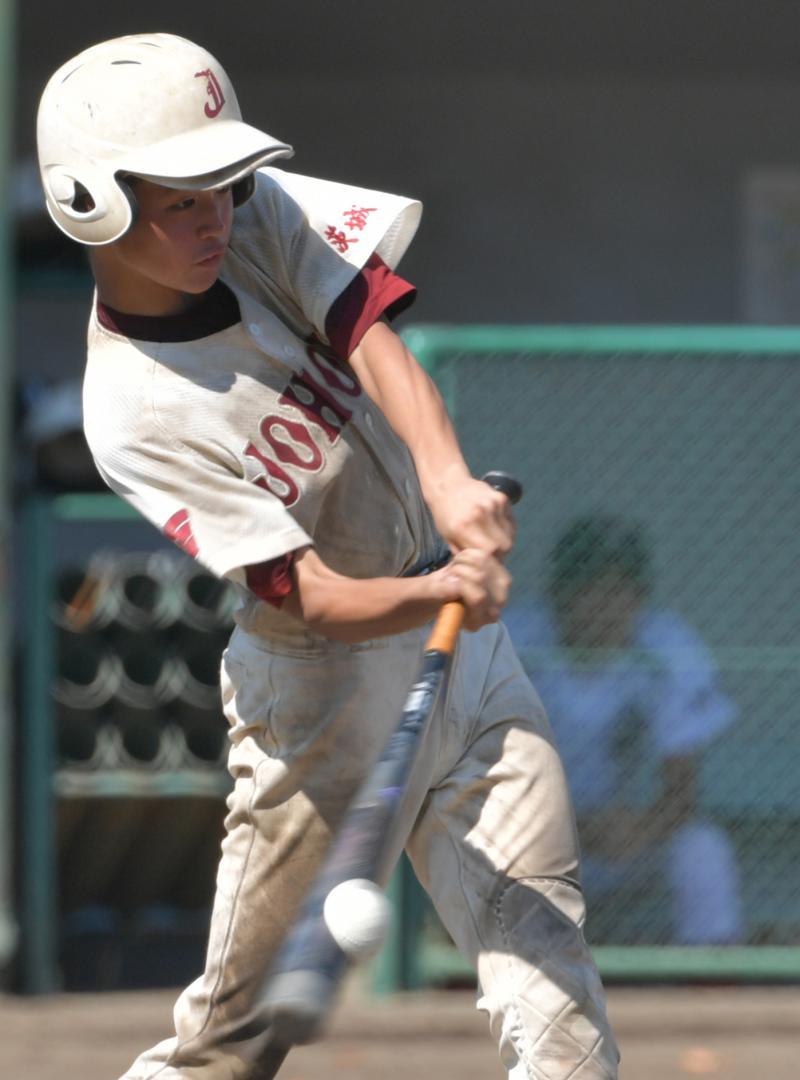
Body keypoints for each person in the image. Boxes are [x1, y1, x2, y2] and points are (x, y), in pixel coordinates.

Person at [36, 33, 619, 1080]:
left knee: (544, 956)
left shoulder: (254, 213)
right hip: (319, 692)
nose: (214, 213)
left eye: (220, 184)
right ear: (95, 205)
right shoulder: (130, 411)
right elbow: (308, 595)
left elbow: (369, 337)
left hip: (459, 641)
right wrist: (438, 587)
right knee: (234, 1045)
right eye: (179, 200)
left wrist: (446, 485)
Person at [504, 516, 743, 946]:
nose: (604, 604)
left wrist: (644, 828)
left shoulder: (668, 647)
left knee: (703, 850)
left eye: (619, 590)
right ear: (560, 594)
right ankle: (488, 984)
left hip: (632, 838)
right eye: (588, 589)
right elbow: (484, 779)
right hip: (537, 833)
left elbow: (683, 791)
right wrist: (569, 828)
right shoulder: (515, 644)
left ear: (640, 597)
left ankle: (712, 992)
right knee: (484, 848)